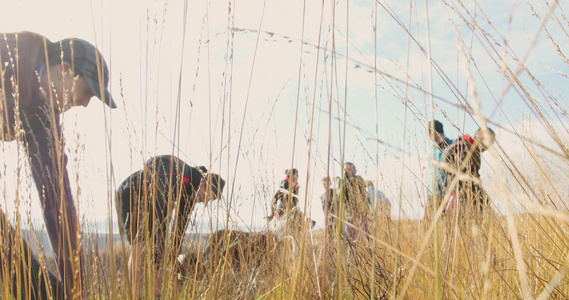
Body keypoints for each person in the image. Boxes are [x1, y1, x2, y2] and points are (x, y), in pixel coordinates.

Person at [1, 31, 116, 298]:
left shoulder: (44, 121)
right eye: (87, 92)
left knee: (39, 286)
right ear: (64, 70)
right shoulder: (8, 55)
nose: (86, 104)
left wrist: (75, 288)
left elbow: (58, 201)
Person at [115, 155, 225, 297]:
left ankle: (156, 295)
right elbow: (161, 212)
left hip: (152, 206)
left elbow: (179, 228)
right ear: (204, 183)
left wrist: (174, 256)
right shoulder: (179, 173)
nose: (204, 202)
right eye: (207, 196)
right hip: (131, 195)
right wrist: (161, 248)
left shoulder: (190, 194)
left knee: (160, 250)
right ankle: (137, 295)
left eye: (209, 200)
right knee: (141, 246)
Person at [442, 127, 495, 217]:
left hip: (464, 194)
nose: (489, 147)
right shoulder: (466, 148)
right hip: (461, 196)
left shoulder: (469, 148)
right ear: (482, 138)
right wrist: (454, 195)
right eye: (490, 143)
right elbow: (459, 173)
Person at [426, 120, 453, 220]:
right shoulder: (433, 149)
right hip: (432, 194)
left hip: (448, 194)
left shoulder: (453, 145)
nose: (428, 136)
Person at [337, 162, 371, 242]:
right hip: (349, 217)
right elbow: (341, 197)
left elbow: (365, 196)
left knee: (365, 239)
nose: (348, 171)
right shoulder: (342, 182)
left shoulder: (359, 179)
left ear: (354, 170)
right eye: (345, 170)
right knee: (351, 240)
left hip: (361, 215)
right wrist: (343, 181)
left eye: (349, 169)